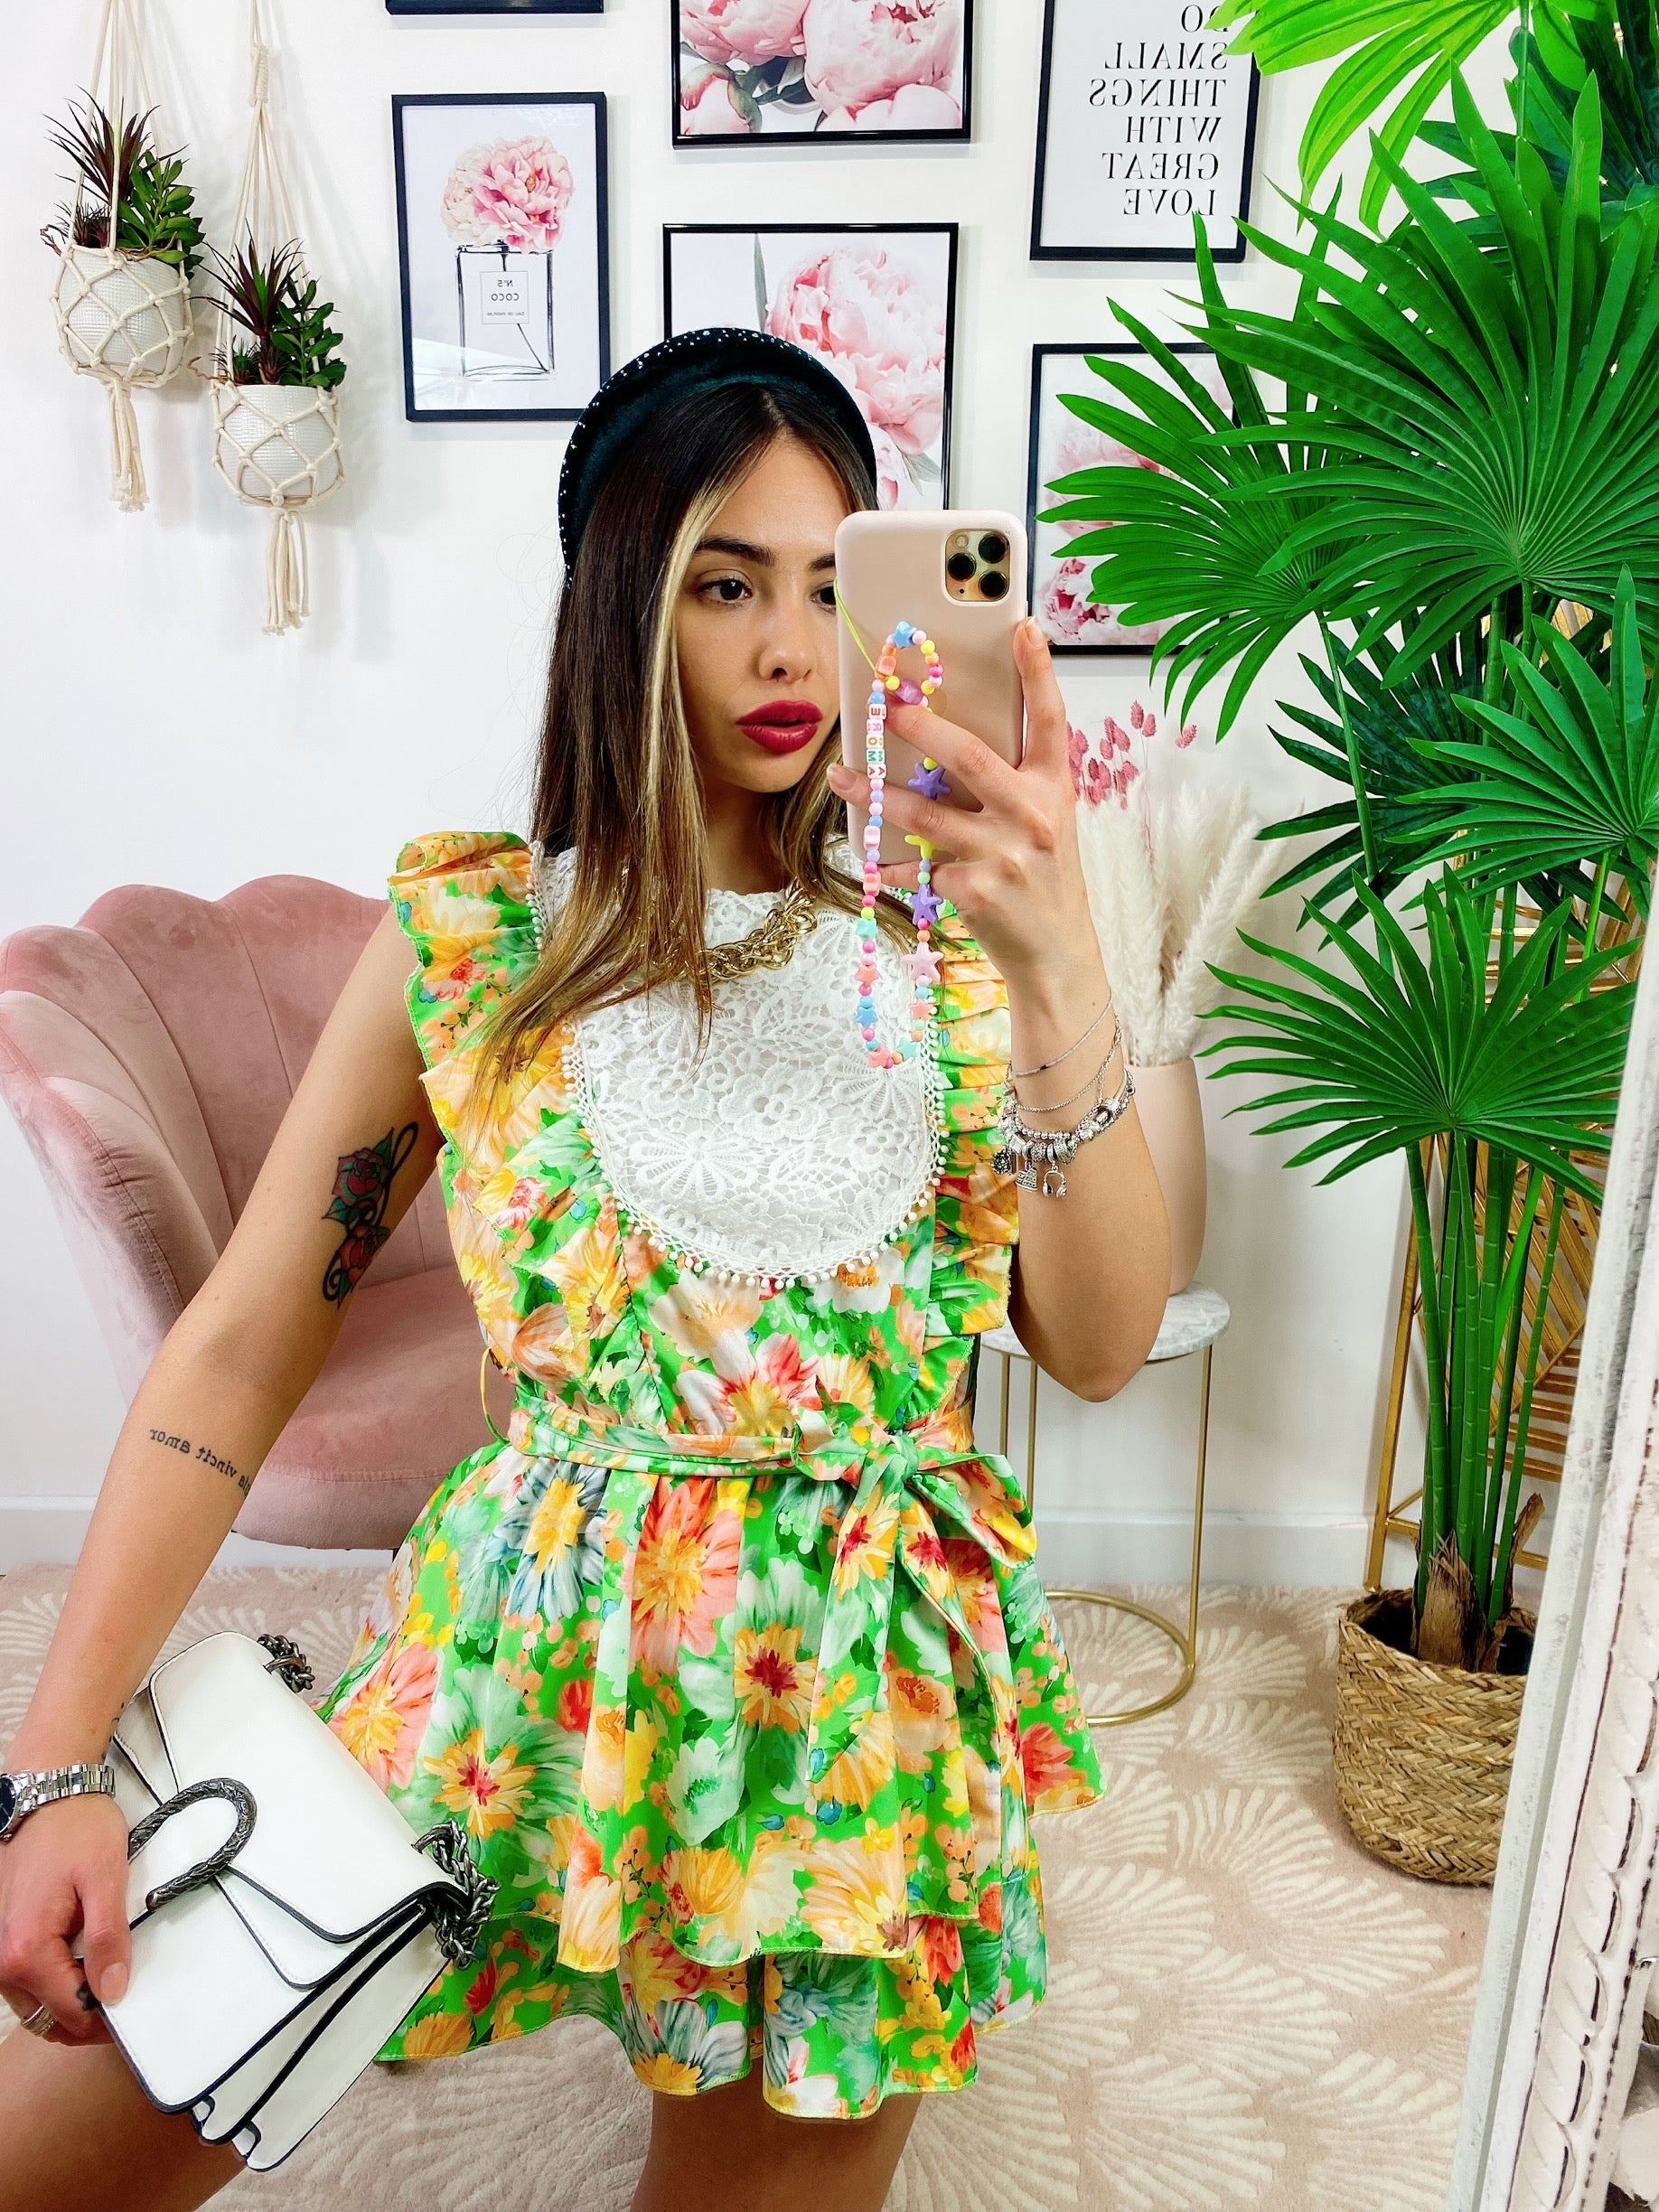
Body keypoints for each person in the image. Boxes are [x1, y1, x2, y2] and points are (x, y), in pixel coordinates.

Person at [0, 327, 1170, 2212]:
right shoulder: (475, 941)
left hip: (853, 1727)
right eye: (725, 584)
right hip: (519, 1657)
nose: (791, 652)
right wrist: (56, 1771)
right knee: (76, 2129)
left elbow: (1101, 1342)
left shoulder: (965, 959)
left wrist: (1061, 966)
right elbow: (236, 1354)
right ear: (624, 603)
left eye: (833, 584)